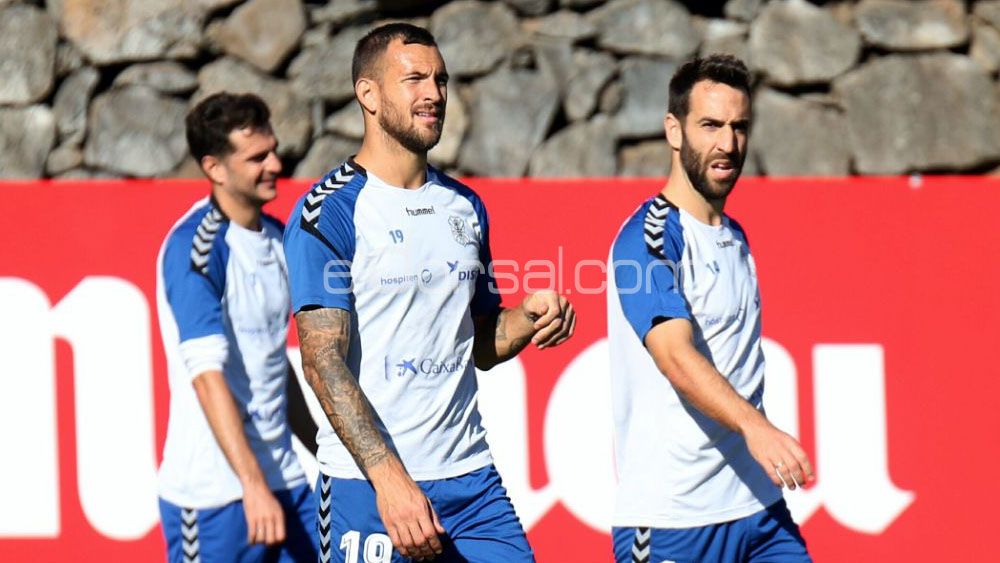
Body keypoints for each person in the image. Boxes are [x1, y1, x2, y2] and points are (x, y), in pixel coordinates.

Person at [282, 23, 575, 563]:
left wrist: (528, 319)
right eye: (413, 78)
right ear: (368, 95)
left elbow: (481, 344)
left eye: (440, 79)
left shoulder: (464, 207)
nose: (433, 94)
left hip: (471, 481)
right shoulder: (329, 212)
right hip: (368, 491)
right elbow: (323, 361)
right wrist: (389, 480)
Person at [606, 55, 814, 563]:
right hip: (675, 520)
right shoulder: (648, 241)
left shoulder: (734, 236)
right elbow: (675, 356)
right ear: (674, 131)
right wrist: (757, 428)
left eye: (739, 127)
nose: (728, 144)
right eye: (710, 126)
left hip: (759, 510)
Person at [155, 92, 319, 563]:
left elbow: (270, 362)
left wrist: (324, 450)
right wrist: (251, 485)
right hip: (214, 496)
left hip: (285, 482)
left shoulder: (280, 239)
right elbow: (208, 379)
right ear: (215, 168)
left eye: (273, 150)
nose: (275, 164)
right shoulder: (196, 250)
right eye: (257, 157)